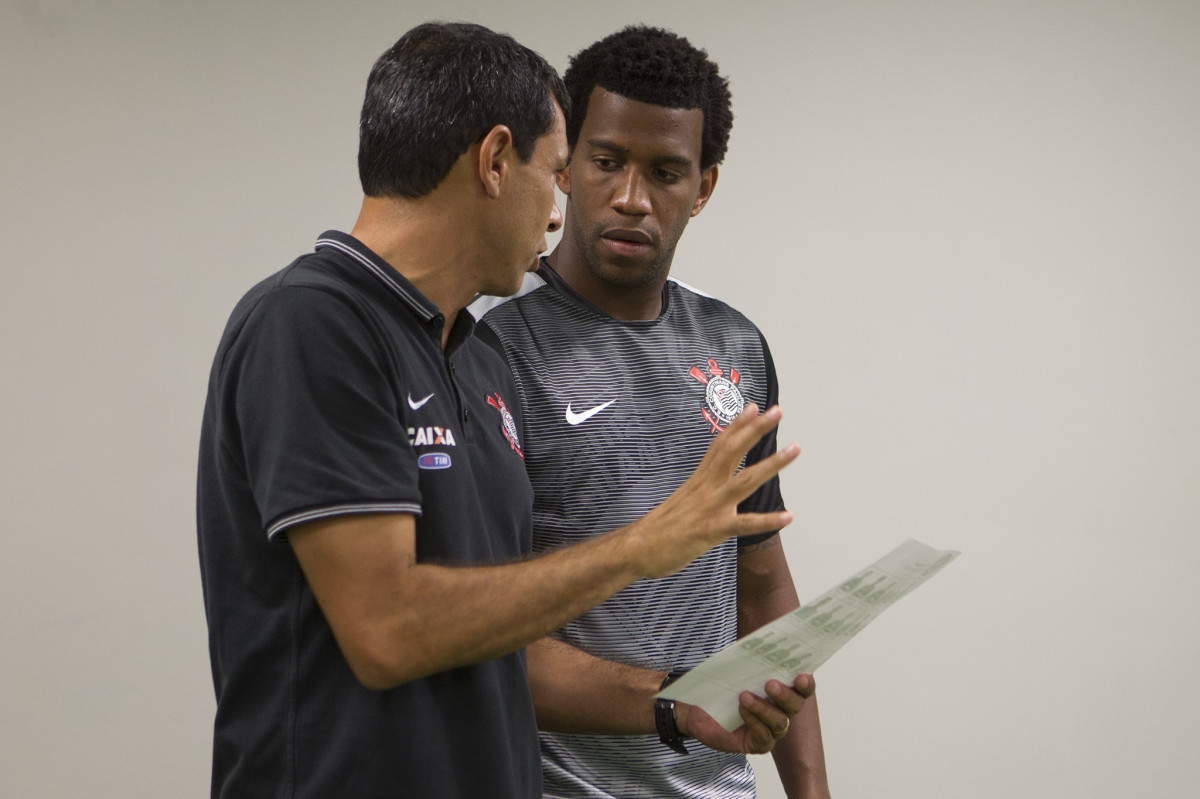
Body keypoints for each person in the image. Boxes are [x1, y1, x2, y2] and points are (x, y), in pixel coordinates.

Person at [197, 21, 806, 799]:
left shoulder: (472, 356)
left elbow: (503, 632)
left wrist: (675, 705)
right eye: (560, 171)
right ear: (494, 162)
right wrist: (641, 547)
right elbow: (388, 628)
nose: (559, 213)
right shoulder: (310, 321)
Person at [474, 25, 831, 799]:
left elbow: (761, 582)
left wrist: (811, 792)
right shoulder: (490, 347)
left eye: (666, 172)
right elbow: (477, 629)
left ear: (703, 187)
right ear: (566, 164)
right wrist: (673, 703)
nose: (632, 197)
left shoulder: (735, 344)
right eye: (607, 161)